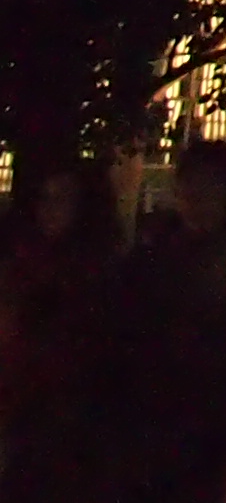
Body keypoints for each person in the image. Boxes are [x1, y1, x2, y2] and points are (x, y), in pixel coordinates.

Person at [110, 138, 226, 503]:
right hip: (146, 427)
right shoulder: (149, 260)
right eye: (191, 186)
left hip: (205, 432)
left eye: (211, 188)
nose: (196, 198)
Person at [0, 157, 121, 503]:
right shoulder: (21, 265)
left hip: (72, 424)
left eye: (63, 199)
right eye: (46, 199)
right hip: (20, 413)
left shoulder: (99, 278)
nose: (50, 210)